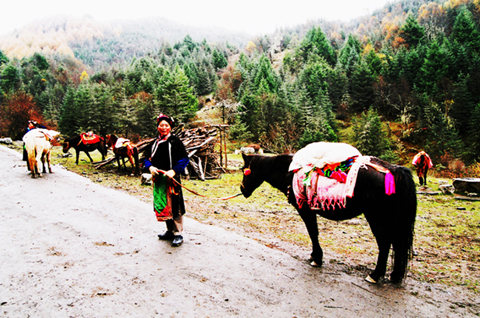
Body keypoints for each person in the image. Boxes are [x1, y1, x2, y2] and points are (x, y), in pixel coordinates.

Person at [143, 114, 189, 246]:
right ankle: (169, 230)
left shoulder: (175, 142)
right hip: (159, 180)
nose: (164, 128)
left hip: (171, 179)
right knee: (163, 204)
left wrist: (174, 171)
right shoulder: (154, 143)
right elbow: (146, 158)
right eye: (161, 125)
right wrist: (150, 167)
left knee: (175, 206)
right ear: (158, 127)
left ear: (170, 127)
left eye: (166, 125)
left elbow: (184, 158)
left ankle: (178, 233)